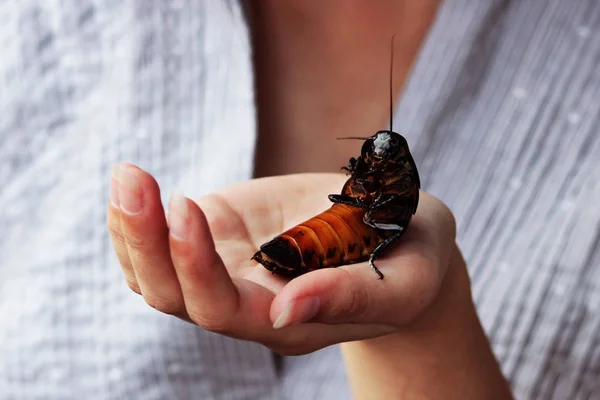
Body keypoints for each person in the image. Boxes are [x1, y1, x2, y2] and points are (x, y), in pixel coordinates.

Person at [2, 0, 598, 399]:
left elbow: (386, 216)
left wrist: (422, 324)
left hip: (356, 234)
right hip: (338, 229)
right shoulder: (40, 24)